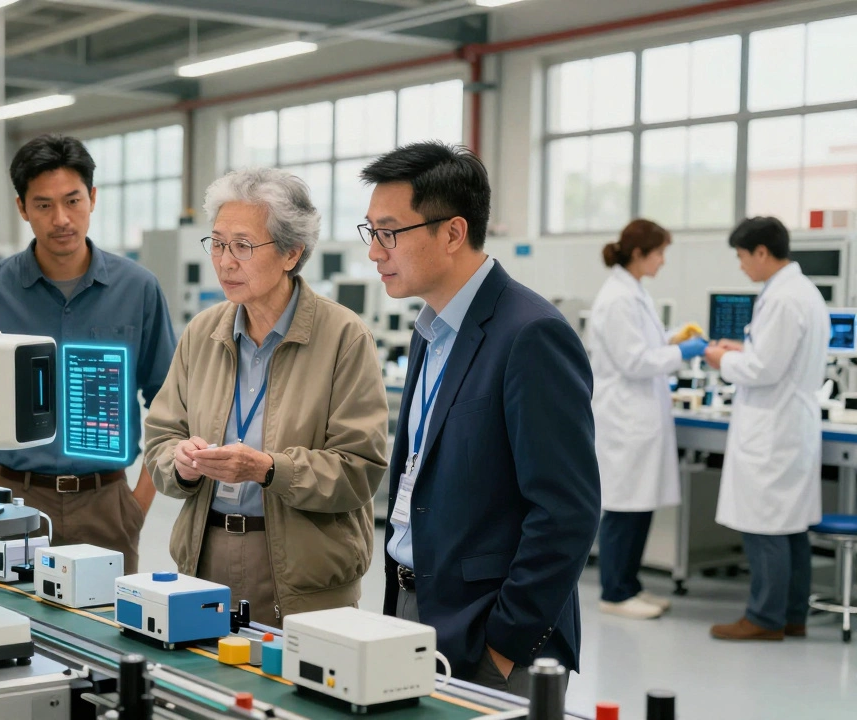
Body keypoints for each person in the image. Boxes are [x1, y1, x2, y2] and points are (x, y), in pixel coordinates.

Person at [364, 142, 600, 697]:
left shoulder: (530, 333)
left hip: (491, 633)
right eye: (370, 231)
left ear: (452, 231)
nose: (375, 252)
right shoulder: (430, 329)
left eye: (390, 232)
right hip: (410, 607)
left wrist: (505, 643)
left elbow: (566, 511)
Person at [144, 168, 388, 628]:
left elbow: (361, 470)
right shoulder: (202, 333)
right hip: (204, 560)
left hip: (302, 576)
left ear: (291, 253)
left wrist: (269, 469)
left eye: (242, 245)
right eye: (217, 243)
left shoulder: (343, 337)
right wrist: (178, 462)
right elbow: (160, 437)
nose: (225, 262)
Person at [0, 134, 176, 574]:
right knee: (7, 631)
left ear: (92, 198)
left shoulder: (138, 289)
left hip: (106, 503)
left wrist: (136, 505)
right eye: (43, 205)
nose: (61, 219)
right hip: (12, 500)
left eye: (73, 201)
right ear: (22, 208)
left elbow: (171, 406)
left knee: (105, 638)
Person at [704, 216, 828, 641]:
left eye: (742, 256)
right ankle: (792, 614)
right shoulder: (803, 292)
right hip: (791, 421)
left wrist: (724, 360)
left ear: (761, 252)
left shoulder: (781, 299)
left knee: (766, 526)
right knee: (790, 527)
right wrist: (745, 350)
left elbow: (764, 369)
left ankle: (763, 618)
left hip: (774, 426)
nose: (741, 266)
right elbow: (776, 356)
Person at [589, 219, 707, 620]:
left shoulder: (634, 292)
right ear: (639, 253)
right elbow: (635, 360)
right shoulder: (618, 298)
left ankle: (630, 585)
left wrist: (671, 340)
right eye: (659, 253)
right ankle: (615, 592)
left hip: (639, 414)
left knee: (638, 507)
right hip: (625, 418)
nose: (662, 261)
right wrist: (684, 353)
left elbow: (642, 348)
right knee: (624, 508)